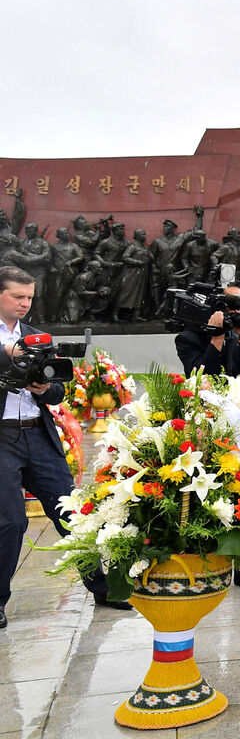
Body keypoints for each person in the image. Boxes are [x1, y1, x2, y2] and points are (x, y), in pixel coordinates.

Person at [0, 266, 130, 629]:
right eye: (17, 296)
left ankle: (103, 588)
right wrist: (8, 355)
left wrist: (44, 389)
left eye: (29, 297)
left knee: (71, 512)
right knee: (10, 521)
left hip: (38, 436)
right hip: (2, 439)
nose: (25, 304)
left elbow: (58, 388)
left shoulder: (37, 337)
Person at [175, 283, 240, 387]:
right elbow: (199, 377)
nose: (237, 311)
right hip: (210, 401)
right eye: (232, 304)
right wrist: (216, 339)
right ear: (216, 307)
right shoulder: (188, 338)